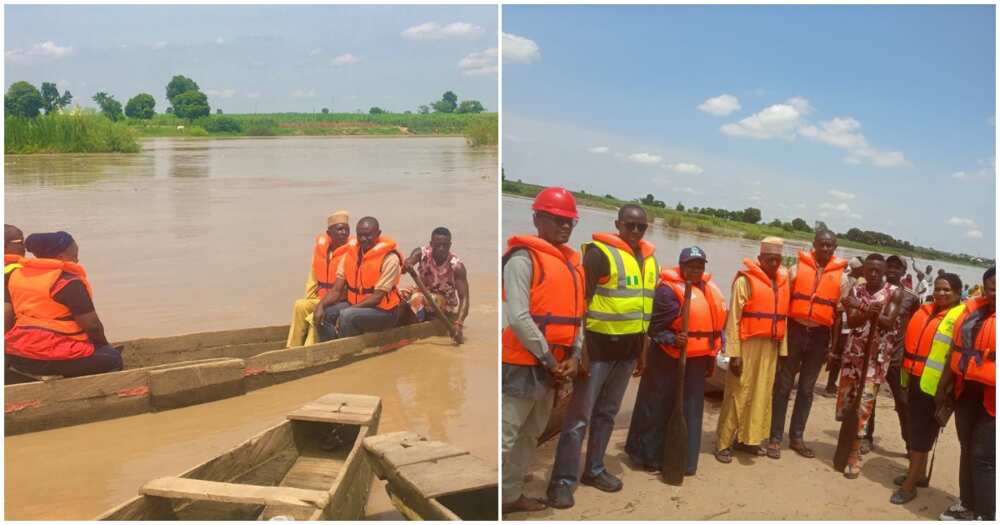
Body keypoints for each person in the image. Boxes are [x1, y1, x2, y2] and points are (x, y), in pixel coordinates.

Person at [547, 204, 656, 508]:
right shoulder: (599, 254)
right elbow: (579, 303)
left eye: (641, 227)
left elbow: (644, 311)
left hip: (627, 353)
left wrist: (643, 352)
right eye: (630, 225)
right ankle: (562, 481)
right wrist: (578, 350)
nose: (635, 232)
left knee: (607, 414)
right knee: (579, 418)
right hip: (596, 351)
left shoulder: (649, 261)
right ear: (618, 224)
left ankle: (594, 469)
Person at [501, 187, 584, 514]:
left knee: (530, 435)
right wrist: (550, 360)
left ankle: (509, 496)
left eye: (570, 221)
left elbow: (579, 317)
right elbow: (519, 318)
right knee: (505, 435)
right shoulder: (523, 259)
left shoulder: (572, 263)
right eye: (558, 219)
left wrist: (575, 357)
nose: (565, 226)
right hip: (524, 365)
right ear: (538, 218)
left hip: (556, 367)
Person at [627, 245, 725, 476]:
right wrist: (672, 338)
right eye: (691, 266)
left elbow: (716, 329)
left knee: (691, 408)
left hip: (696, 359)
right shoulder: (667, 292)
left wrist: (712, 358)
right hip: (668, 358)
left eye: (699, 266)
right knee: (658, 405)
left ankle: (685, 460)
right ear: (681, 267)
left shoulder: (709, 289)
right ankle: (647, 456)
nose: (695, 270)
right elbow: (654, 328)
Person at [768, 230, 849, 459]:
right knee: (783, 386)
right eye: (822, 244)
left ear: (835, 248)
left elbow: (838, 315)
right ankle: (775, 437)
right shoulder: (796, 270)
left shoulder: (842, 278)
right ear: (814, 244)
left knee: (806, 389)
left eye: (830, 246)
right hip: (794, 331)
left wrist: (833, 349)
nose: (825, 249)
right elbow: (784, 303)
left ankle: (796, 437)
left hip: (819, 336)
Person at [4, 232, 123, 378]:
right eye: (74, 255)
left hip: (18, 354)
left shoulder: (16, 276)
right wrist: (104, 346)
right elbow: (93, 326)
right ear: (61, 257)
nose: (77, 260)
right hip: (51, 357)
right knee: (113, 358)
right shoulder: (67, 282)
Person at [891, 272, 965, 504]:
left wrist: (946, 388)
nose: (941, 293)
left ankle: (910, 485)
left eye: (947, 290)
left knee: (922, 434)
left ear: (957, 293)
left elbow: (955, 354)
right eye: (938, 289)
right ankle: (920, 474)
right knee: (917, 429)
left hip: (936, 386)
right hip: (915, 377)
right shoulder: (926, 309)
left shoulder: (959, 317)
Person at [715, 237, 789, 464]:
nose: (773, 264)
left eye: (777, 260)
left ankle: (748, 440)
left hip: (770, 347)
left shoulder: (782, 282)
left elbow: (783, 319)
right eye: (769, 259)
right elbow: (734, 319)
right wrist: (733, 354)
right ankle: (723, 443)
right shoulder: (744, 282)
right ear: (760, 259)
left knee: (761, 395)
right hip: (746, 345)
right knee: (738, 393)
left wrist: (782, 352)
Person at [834, 254, 899, 478]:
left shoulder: (894, 292)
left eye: (877, 271)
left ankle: (854, 454)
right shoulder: (856, 289)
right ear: (863, 271)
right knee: (847, 402)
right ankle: (843, 448)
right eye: (869, 270)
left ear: (884, 272)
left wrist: (861, 307)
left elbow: (887, 322)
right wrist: (868, 309)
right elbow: (851, 321)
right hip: (853, 356)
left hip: (875, 360)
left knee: (864, 406)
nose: (873, 274)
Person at [939, 267, 995, 520]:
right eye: (992, 288)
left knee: (984, 456)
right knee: (965, 447)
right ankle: (966, 503)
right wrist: (944, 387)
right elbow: (956, 350)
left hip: (993, 399)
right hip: (967, 391)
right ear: (984, 288)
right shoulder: (974, 313)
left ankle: (985, 513)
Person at [860, 255, 921, 455]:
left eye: (898, 267)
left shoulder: (912, 297)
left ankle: (910, 443)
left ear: (904, 272)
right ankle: (866, 437)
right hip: (874, 353)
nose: (893, 269)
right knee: (870, 398)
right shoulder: (875, 290)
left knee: (903, 402)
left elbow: (916, 326)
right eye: (891, 265)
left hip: (897, 357)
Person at [313, 217, 403, 340]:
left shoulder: (390, 259)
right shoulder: (350, 255)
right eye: (360, 235)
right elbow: (336, 290)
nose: (363, 239)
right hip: (356, 306)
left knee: (347, 315)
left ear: (378, 234)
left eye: (368, 235)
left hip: (384, 312)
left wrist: (348, 310)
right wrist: (320, 306)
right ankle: (330, 349)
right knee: (326, 314)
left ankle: (345, 354)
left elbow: (377, 298)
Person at [285, 211, 354, 347]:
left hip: (341, 300)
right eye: (340, 229)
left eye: (346, 229)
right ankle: (292, 346)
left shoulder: (351, 253)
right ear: (329, 233)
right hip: (323, 298)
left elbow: (347, 287)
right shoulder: (321, 252)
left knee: (315, 315)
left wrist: (321, 305)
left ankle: (309, 349)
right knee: (300, 305)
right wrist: (310, 299)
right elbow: (312, 279)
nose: (344, 233)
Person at [400, 227, 470, 344]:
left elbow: (464, 298)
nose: (441, 249)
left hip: (444, 303)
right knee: (398, 293)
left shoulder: (457, 266)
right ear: (431, 244)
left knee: (417, 298)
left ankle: (413, 330)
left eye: (445, 245)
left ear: (450, 245)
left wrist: (458, 324)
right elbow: (409, 262)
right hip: (422, 292)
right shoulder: (421, 254)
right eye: (437, 245)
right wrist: (408, 264)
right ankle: (405, 319)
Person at [822, 257, 864, 398]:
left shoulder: (854, 280)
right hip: (840, 320)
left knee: (838, 353)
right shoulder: (846, 280)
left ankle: (831, 384)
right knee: (836, 352)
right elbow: (841, 305)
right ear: (857, 268)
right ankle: (829, 385)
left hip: (845, 320)